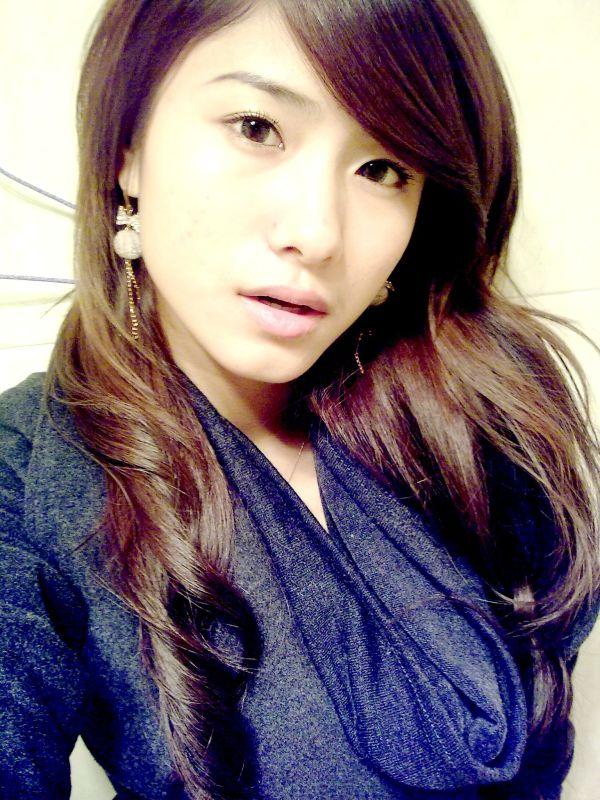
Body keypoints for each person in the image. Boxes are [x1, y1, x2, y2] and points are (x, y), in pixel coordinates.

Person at [1, 0, 599, 798]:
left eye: (383, 169)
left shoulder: (478, 406)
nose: (318, 234)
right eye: (256, 128)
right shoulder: (30, 474)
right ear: (128, 148)